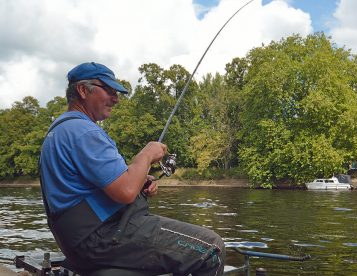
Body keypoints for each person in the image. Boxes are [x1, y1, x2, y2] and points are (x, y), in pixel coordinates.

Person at [39, 62, 225, 276]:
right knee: (211, 249)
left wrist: (139, 181)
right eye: (108, 90)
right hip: (101, 237)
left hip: (79, 241)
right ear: (82, 90)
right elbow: (126, 191)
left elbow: (109, 184)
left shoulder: (61, 130)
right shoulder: (83, 132)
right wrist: (146, 155)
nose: (116, 98)